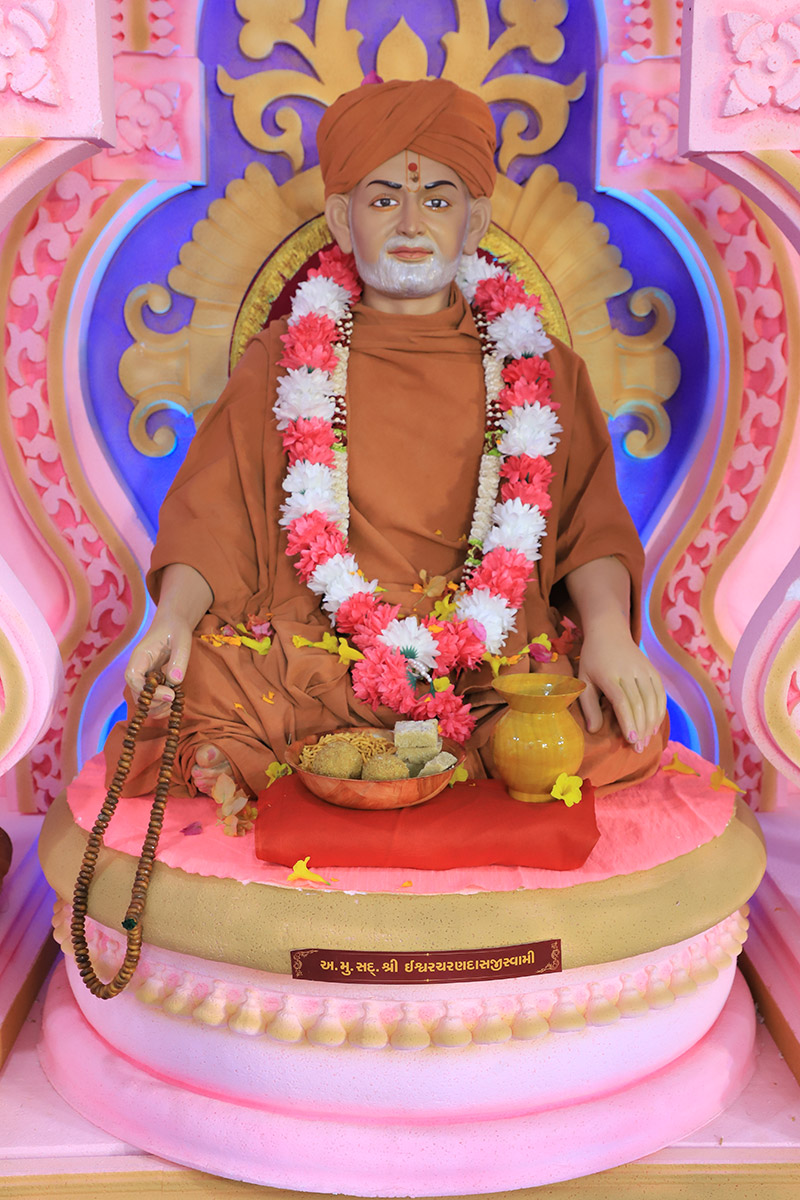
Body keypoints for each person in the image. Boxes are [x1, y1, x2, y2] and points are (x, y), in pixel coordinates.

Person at [106, 77, 667, 806]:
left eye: (436, 200)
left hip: (489, 663)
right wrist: (173, 619)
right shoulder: (279, 362)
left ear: (474, 222)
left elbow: (591, 531)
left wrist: (609, 633)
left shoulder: (545, 369)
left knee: (618, 724)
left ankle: (341, 768)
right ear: (342, 221)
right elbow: (212, 523)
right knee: (191, 689)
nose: (410, 222)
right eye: (382, 200)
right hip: (311, 655)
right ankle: (448, 771)